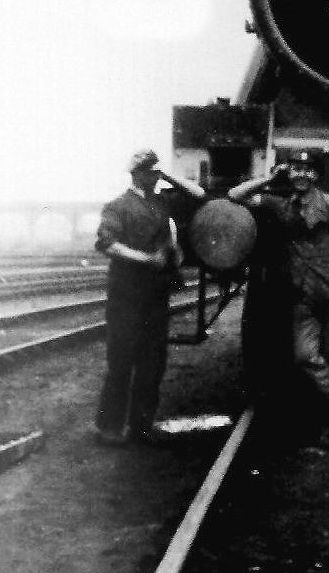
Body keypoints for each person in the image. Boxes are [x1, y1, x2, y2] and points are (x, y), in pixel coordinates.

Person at [228, 149, 329, 447]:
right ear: (288, 172)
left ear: (316, 174)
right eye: (295, 169)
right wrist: (268, 178)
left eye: (307, 170)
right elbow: (234, 195)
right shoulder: (280, 207)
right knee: (305, 357)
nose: (301, 175)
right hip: (302, 296)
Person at [94, 149, 206, 446]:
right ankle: (109, 427)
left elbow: (198, 194)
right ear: (136, 174)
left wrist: (167, 174)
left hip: (154, 295)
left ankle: (141, 425)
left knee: (152, 362)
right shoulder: (117, 206)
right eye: (150, 172)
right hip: (126, 294)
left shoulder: (160, 202)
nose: (155, 178)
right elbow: (107, 244)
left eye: (158, 173)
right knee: (121, 361)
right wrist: (145, 259)